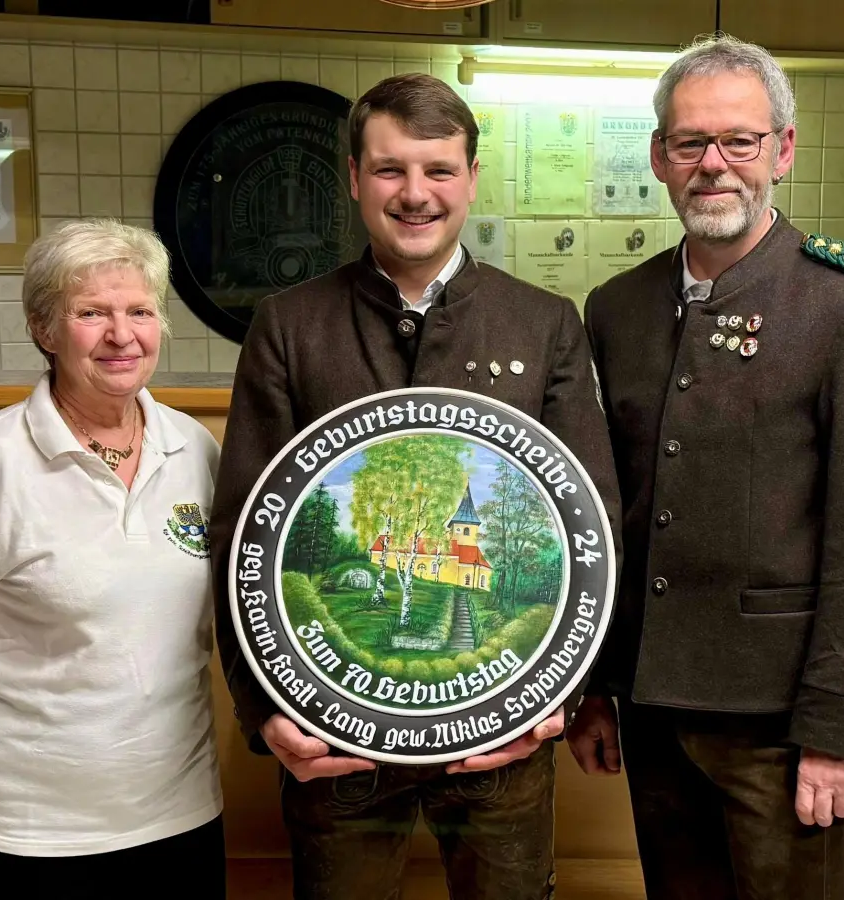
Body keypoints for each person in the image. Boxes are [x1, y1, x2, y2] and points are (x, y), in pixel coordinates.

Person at [210, 73, 621, 900]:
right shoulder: (289, 325)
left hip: (503, 739)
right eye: (391, 169)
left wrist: (563, 699)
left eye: (438, 169)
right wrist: (266, 715)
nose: (416, 193)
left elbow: (590, 522)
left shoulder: (544, 323)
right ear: (355, 179)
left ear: (471, 177)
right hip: (336, 737)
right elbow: (242, 535)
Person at [569, 35, 844, 900]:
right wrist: (595, 687)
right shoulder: (617, 307)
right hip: (653, 708)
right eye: (691, 142)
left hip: (783, 723)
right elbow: (605, 514)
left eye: (739, 140)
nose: (714, 165)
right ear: (659, 156)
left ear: (783, 149)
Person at [0, 219, 226, 898]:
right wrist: (9, 734)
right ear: (44, 330)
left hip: (177, 809)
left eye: (140, 312)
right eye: (92, 313)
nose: (122, 335)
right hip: (29, 826)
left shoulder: (194, 451)